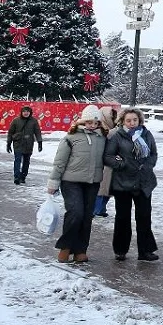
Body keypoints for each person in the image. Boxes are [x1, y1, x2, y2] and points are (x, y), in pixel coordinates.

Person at [46, 105, 106, 263]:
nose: (92, 126)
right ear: (83, 121)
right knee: (76, 212)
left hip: (92, 182)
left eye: (96, 123)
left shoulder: (102, 138)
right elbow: (59, 162)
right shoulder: (70, 137)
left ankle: (80, 249)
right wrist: (53, 182)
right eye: (89, 122)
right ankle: (65, 247)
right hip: (71, 182)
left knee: (87, 216)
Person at [104, 108, 159, 262]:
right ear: (123, 121)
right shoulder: (117, 136)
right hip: (123, 183)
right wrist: (122, 164)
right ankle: (120, 250)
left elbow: (153, 154)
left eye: (135, 120)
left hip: (144, 182)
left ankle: (145, 251)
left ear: (139, 120)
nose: (132, 123)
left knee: (144, 217)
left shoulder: (146, 134)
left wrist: (147, 165)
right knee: (123, 217)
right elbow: (108, 157)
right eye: (128, 120)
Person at [6, 105, 43, 185]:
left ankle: (23, 176)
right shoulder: (16, 120)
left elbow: (37, 132)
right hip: (18, 143)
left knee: (26, 161)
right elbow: (10, 132)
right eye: (24, 111)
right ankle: (16, 176)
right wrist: (8, 143)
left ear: (30, 113)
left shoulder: (34, 121)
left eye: (27, 111)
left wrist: (40, 142)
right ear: (21, 112)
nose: (26, 113)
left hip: (29, 144)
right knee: (17, 160)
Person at [93, 106, 118, 217]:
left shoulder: (113, 129)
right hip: (101, 165)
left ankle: (101, 208)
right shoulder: (100, 128)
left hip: (111, 164)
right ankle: (97, 209)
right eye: (111, 116)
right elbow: (106, 136)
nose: (113, 118)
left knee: (108, 189)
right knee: (101, 189)